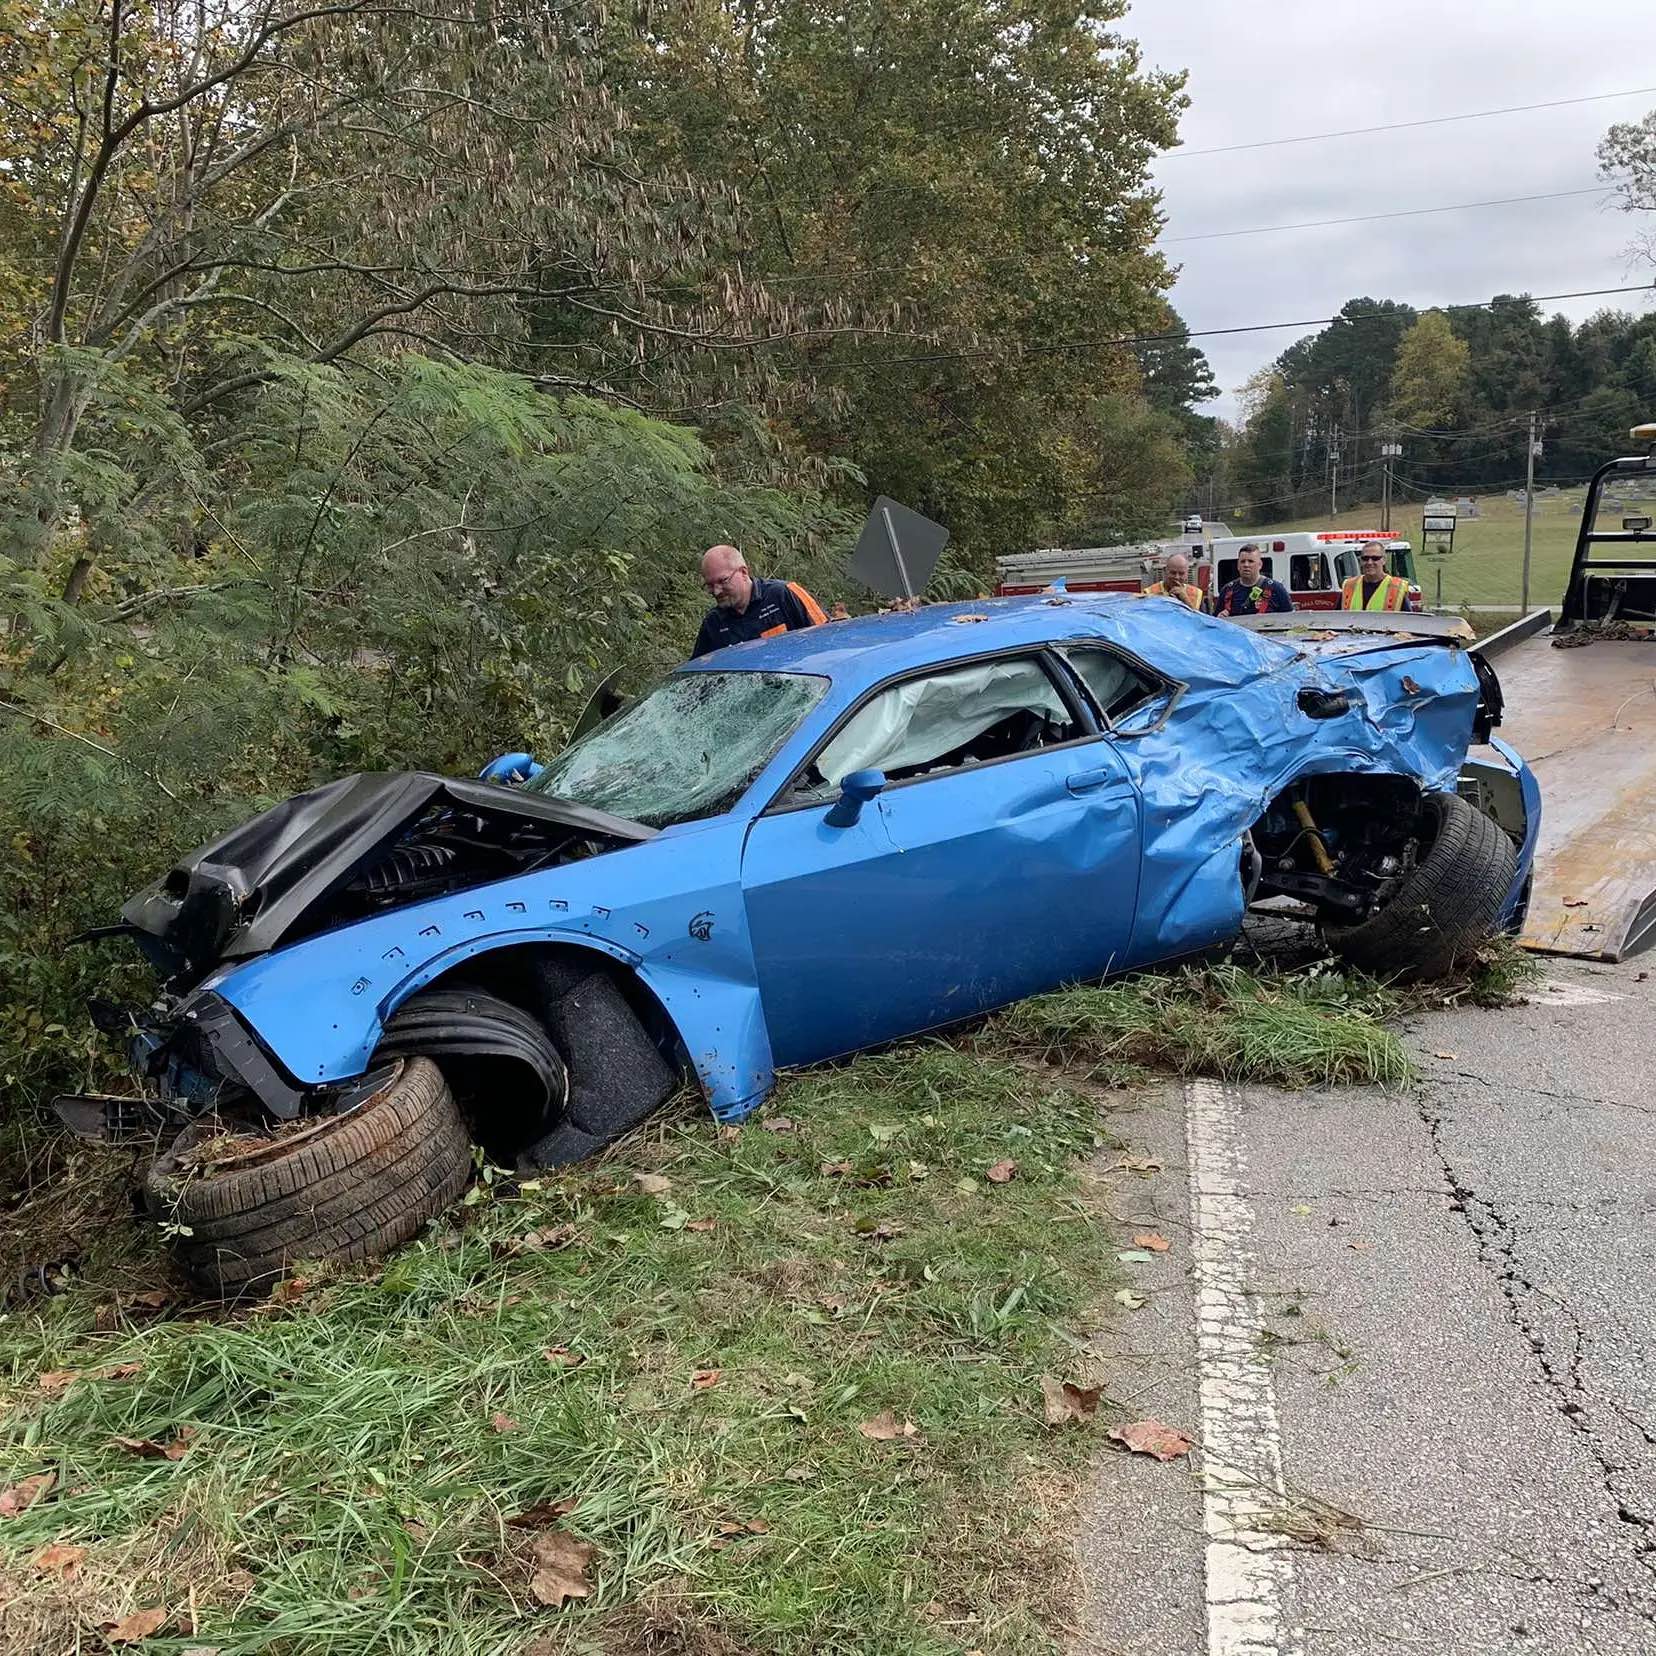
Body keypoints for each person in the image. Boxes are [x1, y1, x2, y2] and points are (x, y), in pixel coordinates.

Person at [692, 544, 827, 657]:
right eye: (709, 585)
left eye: (723, 581)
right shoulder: (713, 623)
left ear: (743, 573)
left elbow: (828, 636)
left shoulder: (784, 593)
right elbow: (697, 673)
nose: (716, 591)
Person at [1214, 544, 1293, 617]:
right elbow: (1214, 622)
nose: (1246, 565)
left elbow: (1290, 619)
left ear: (1260, 565)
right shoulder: (1227, 590)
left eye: (1251, 561)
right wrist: (1220, 618)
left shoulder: (1277, 589)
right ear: (1238, 565)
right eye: (1242, 561)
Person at [1341, 541, 1421, 612]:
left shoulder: (1397, 588)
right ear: (1361, 561)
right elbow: (1337, 619)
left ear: (1384, 560)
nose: (1369, 562)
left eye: (1375, 558)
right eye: (1365, 558)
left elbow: (1407, 622)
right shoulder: (1349, 586)